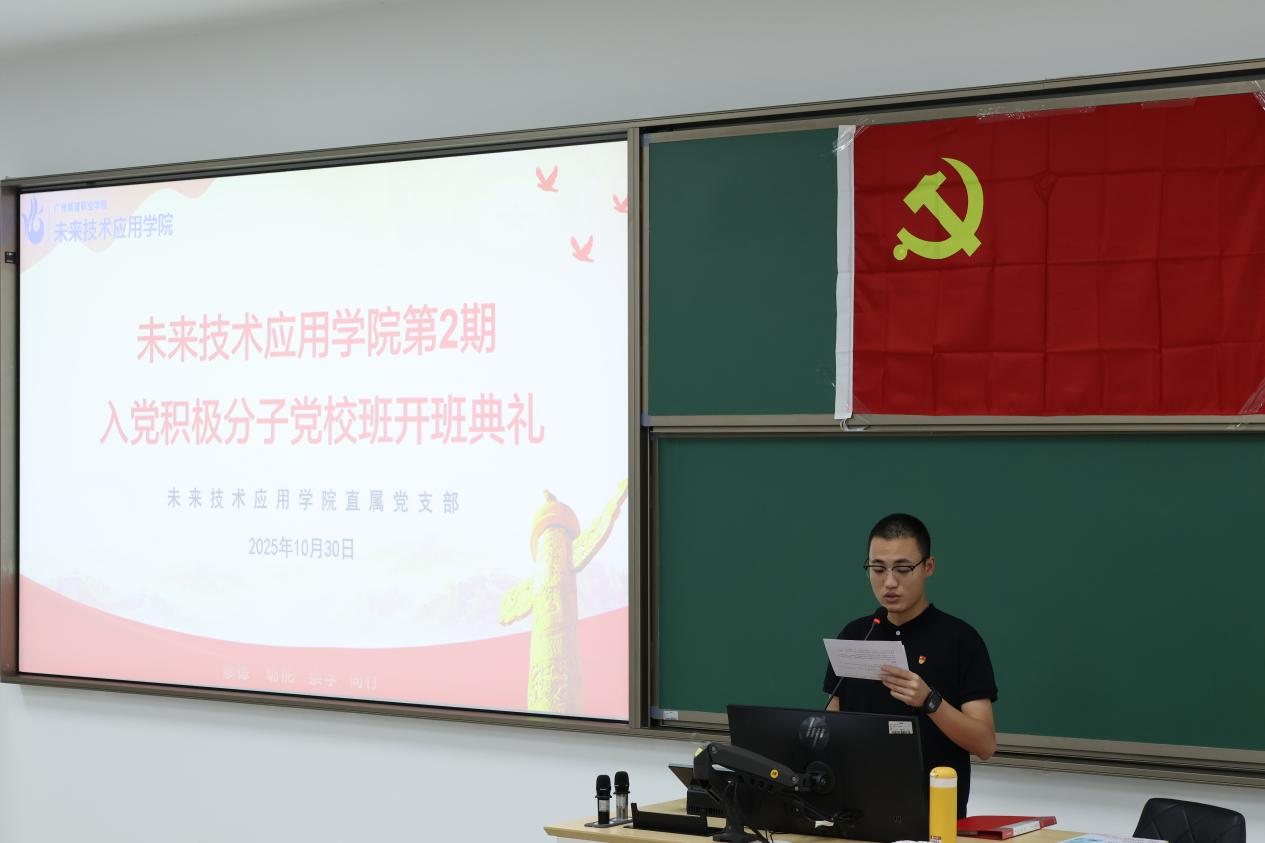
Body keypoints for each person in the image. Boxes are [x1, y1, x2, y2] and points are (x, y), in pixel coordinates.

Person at [822, 513, 997, 817]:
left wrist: (930, 701)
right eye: (878, 569)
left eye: (903, 569)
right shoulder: (856, 635)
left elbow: (985, 745)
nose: (889, 582)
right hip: (855, 814)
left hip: (934, 820)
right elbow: (829, 729)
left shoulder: (960, 639)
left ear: (928, 567)